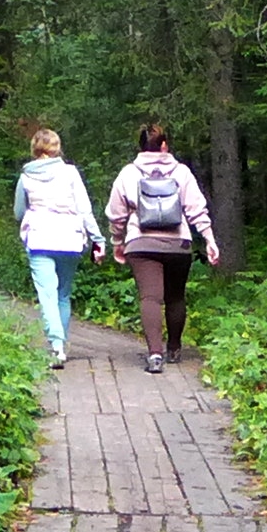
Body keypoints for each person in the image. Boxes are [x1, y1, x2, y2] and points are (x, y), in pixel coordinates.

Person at [103, 121, 221, 373]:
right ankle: (174, 348)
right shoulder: (182, 172)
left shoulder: (128, 173)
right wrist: (209, 239)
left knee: (150, 297)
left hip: (141, 243)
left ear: (141, 146)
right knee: (175, 296)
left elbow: (116, 214)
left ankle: (155, 355)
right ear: (164, 145)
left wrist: (117, 241)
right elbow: (196, 209)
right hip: (178, 243)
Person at [8, 124, 108, 367]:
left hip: (40, 239)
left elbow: (19, 212)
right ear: (57, 149)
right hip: (69, 239)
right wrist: (98, 239)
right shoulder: (71, 173)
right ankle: (60, 344)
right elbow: (84, 210)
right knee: (63, 294)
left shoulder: (25, 176)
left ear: (34, 149)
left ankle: (56, 347)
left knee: (47, 295)